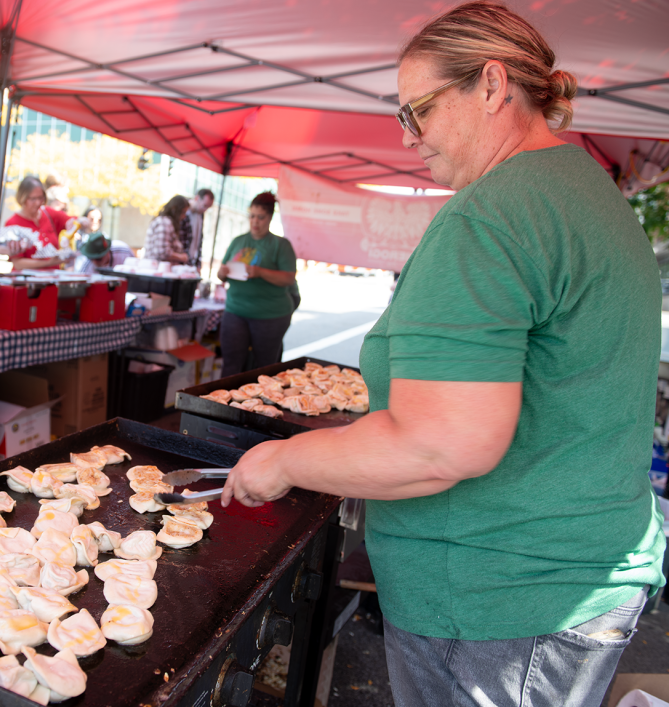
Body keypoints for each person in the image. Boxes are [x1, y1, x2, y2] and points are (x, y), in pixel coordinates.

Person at [221, 4, 666, 707]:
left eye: (418, 111)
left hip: (499, 603)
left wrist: (280, 460)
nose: (410, 139)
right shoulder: (593, 196)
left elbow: (439, 444)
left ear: (492, 86)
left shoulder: (493, 215)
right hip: (580, 580)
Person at [216, 192, 296, 376]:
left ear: (269, 218)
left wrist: (260, 272)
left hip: (270, 315)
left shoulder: (281, 245)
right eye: (252, 216)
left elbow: (288, 279)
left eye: (261, 217)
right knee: (230, 366)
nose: (255, 221)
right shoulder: (238, 241)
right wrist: (221, 273)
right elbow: (223, 273)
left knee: (264, 370)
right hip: (235, 311)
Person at [0, 176, 89, 271]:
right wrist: (49, 262)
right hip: (28, 282)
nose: (38, 202)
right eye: (33, 199)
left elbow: (77, 221)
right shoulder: (13, 223)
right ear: (23, 198)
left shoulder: (48, 213)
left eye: (41, 198)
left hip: (52, 280)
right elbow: (18, 264)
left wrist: (80, 222)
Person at [144, 195, 189, 264]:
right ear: (174, 209)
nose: (184, 216)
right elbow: (163, 252)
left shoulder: (167, 222)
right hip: (157, 270)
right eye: (183, 212)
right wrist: (181, 257)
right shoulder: (164, 222)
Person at [179, 187, 214, 269]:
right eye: (204, 206)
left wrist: (198, 263)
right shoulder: (184, 211)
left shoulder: (200, 215)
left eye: (208, 207)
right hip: (181, 261)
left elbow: (198, 241)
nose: (205, 209)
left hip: (192, 262)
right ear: (197, 198)